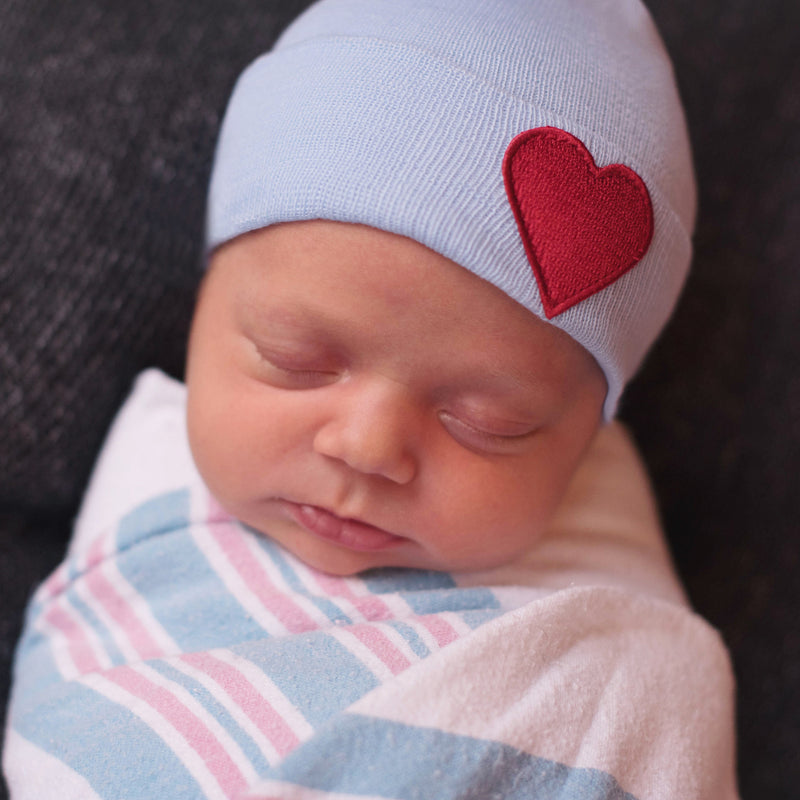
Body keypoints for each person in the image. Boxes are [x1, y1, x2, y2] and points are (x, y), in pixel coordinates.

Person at [3, 0, 739, 797]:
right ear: (202, 305)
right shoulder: (147, 500)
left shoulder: (616, 650)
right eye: (297, 359)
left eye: (488, 422)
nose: (366, 447)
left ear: (589, 437)